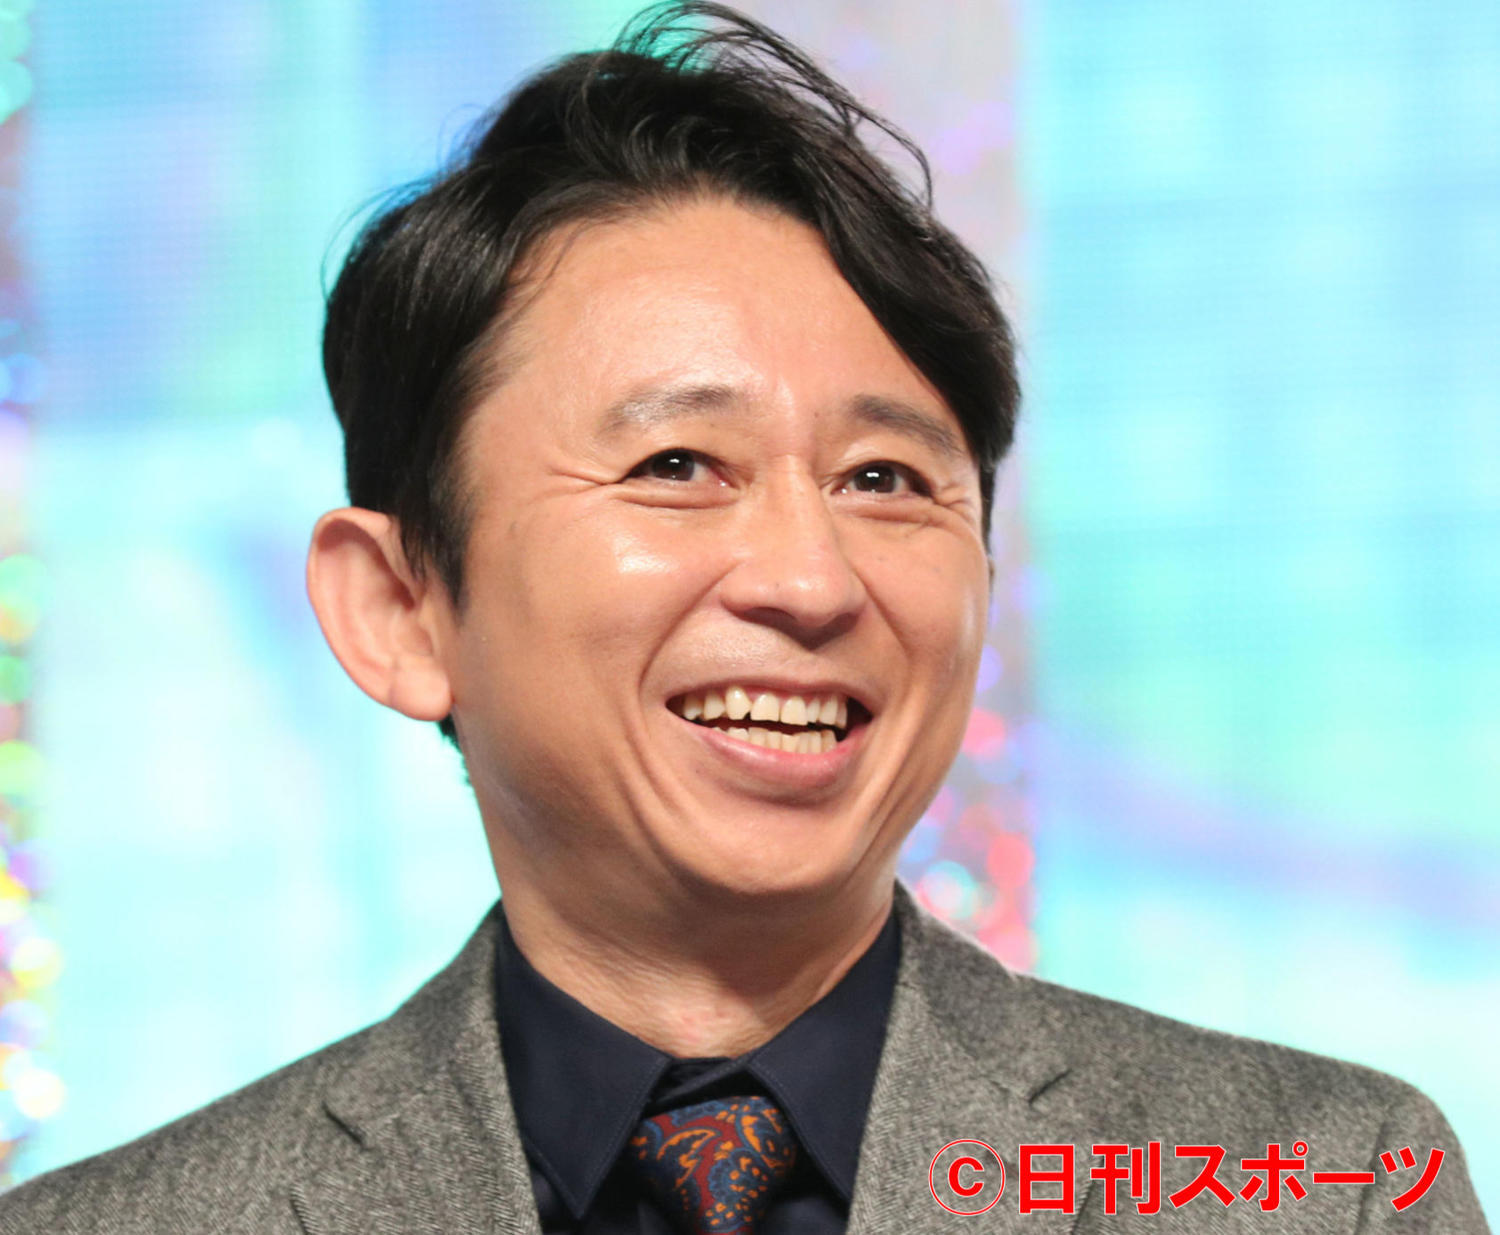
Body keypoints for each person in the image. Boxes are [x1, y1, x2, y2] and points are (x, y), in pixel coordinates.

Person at [1, 3, 1486, 1232]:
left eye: (886, 478)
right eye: (678, 466)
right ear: (399, 609)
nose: (811, 579)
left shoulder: (1325, 1183)